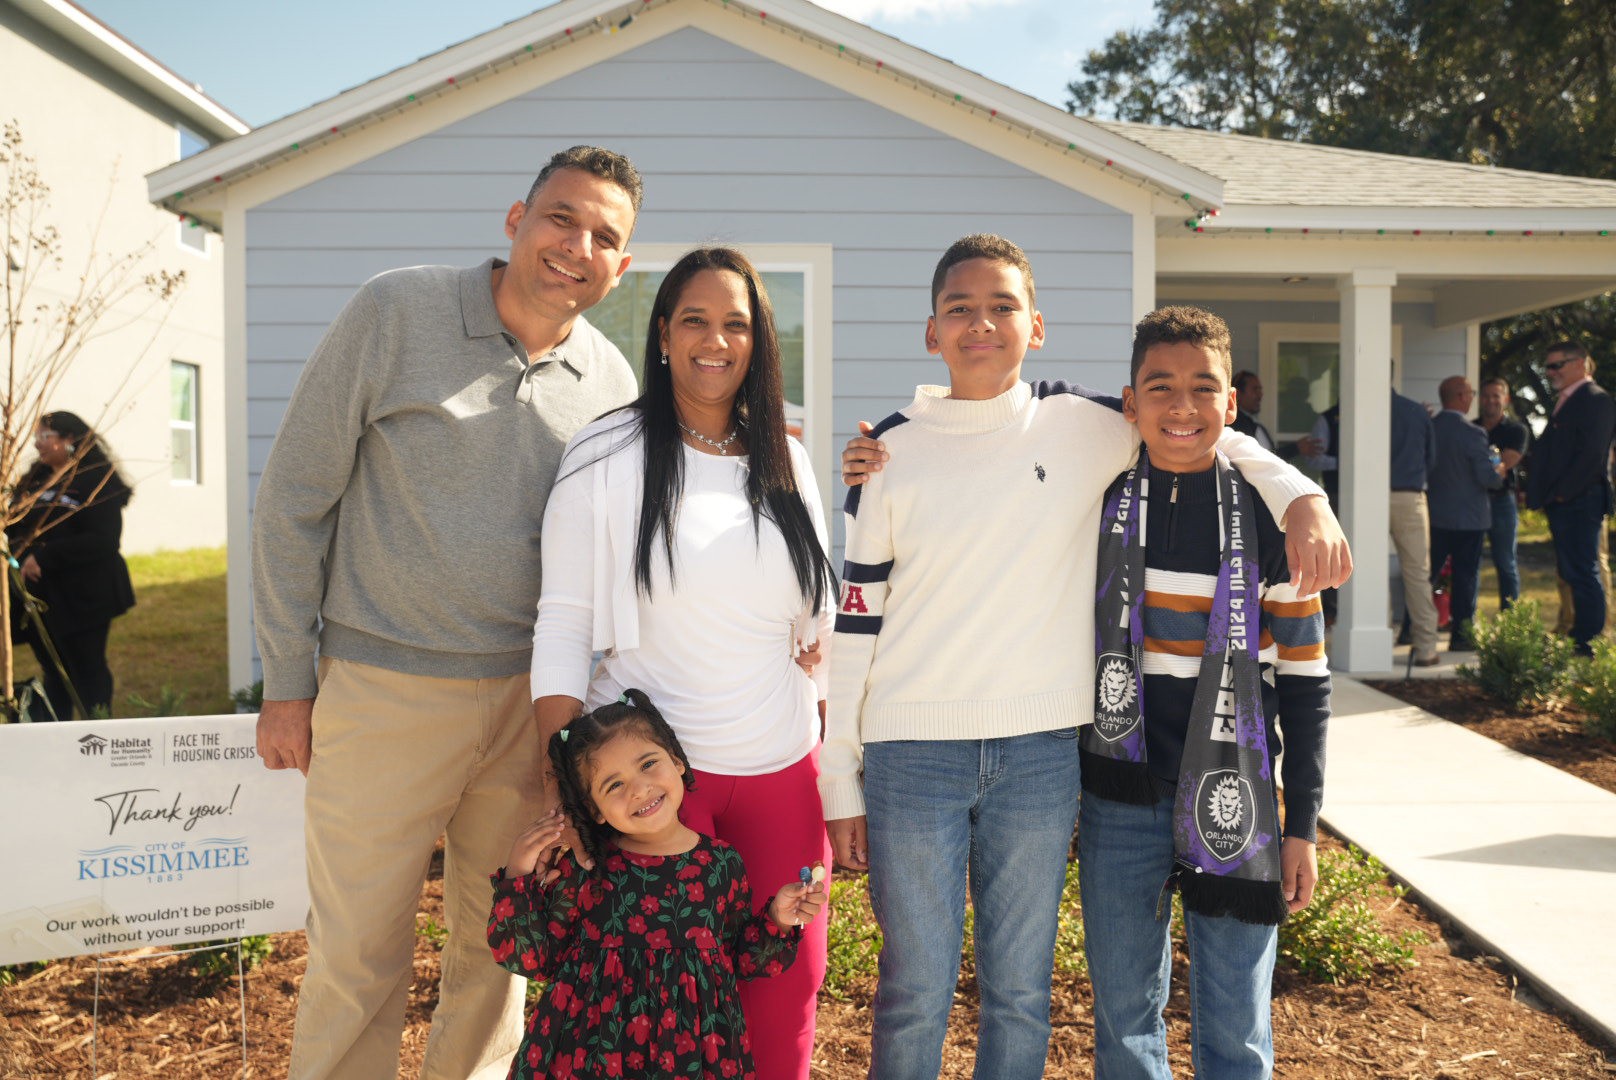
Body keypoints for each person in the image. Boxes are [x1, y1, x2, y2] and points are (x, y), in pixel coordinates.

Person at [825, 237, 1341, 1080]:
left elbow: (1199, 429)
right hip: (998, 766)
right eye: (960, 308)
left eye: (1002, 307)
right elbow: (856, 621)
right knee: (953, 992)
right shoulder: (907, 453)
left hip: (1119, 769)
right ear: (931, 331)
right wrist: (838, 773)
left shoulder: (1104, 438)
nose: (981, 323)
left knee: (1074, 999)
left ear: (1037, 326)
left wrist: (1304, 494)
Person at [251, 146, 643, 1080]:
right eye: (561, 217)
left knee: (498, 956)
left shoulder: (614, 382)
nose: (575, 245)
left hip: (529, 709)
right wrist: (287, 680)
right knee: (357, 958)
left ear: (621, 268)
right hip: (383, 691)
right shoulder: (395, 312)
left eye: (604, 236)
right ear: (516, 218)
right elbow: (293, 500)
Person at [531, 247, 837, 1080]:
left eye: (735, 322)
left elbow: (814, 612)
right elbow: (561, 622)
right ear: (662, 334)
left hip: (782, 772)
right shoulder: (608, 453)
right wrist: (567, 775)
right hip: (663, 787)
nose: (715, 339)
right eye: (694, 319)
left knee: (790, 987)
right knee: (659, 1012)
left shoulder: (787, 457)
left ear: (758, 340)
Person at [1081, 306, 1329, 1080]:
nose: (1181, 408)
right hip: (1119, 797)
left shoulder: (1273, 516)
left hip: (1238, 797)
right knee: (1123, 1019)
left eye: (1203, 388)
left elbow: (1306, 680)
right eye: (1160, 387)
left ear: (1232, 404)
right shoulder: (1097, 496)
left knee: (1238, 1026)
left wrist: (1305, 822)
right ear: (1130, 401)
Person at [487, 690, 824, 1080]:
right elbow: (531, 959)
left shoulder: (720, 864)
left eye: (649, 764)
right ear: (593, 808)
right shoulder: (588, 867)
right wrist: (517, 877)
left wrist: (778, 920)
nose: (640, 788)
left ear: (677, 761)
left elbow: (738, 959)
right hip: (590, 1056)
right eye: (613, 785)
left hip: (692, 1059)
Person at [6, 410, 135, 720]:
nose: (37, 444)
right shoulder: (36, 479)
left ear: (70, 440)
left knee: (87, 665)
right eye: (36, 437)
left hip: (86, 592)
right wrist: (24, 556)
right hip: (42, 593)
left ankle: (97, 732)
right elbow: (14, 526)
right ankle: (58, 736)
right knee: (54, 667)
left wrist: (46, 556)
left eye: (44, 437)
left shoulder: (96, 479)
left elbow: (104, 539)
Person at [1304, 377, 1440, 663]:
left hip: (1369, 499)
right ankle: (1427, 647)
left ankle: (1381, 645)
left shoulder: (1359, 412)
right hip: (1409, 496)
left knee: (1371, 573)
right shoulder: (1416, 411)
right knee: (1417, 573)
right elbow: (1431, 459)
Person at [1527, 341, 1616, 653]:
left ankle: (1589, 643)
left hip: (1582, 500)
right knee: (1572, 572)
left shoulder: (1595, 400)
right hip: (1568, 502)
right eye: (1548, 366)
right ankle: (1580, 635)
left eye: (1556, 365)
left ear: (1580, 363)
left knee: (1584, 571)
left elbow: (1592, 455)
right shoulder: (1568, 400)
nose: (1550, 372)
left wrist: (1563, 494)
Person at [1428, 377, 1502, 653]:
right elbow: (1487, 477)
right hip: (1470, 519)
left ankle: (1414, 629)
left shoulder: (1430, 427)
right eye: (1470, 393)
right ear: (1460, 396)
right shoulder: (1474, 433)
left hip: (1435, 515)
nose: (1472, 398)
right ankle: (1460, 636)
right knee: (1465, 576)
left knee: (1426, 575)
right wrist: (1499, 472)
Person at [1475, 377, 1529, 610]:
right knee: (1470, 564)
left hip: (1502, 503)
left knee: (1506, 563)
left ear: (1505, 400)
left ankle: (1509, 622)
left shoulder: (1517, 430)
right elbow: (1492, 470)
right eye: (1486, 396)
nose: (1491, 401)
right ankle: (1467, 621)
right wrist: (1490, 469)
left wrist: (1479, 467)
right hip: (1473, 502)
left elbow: (1507, 463)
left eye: (1496, 396)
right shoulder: (1471, 428)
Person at [1231, 370, 1275, 450]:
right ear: (1238, 394)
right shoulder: (1235, 426)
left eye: (1260, 389)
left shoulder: (1253, 423)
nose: (1260, 394)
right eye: (1255, 389)